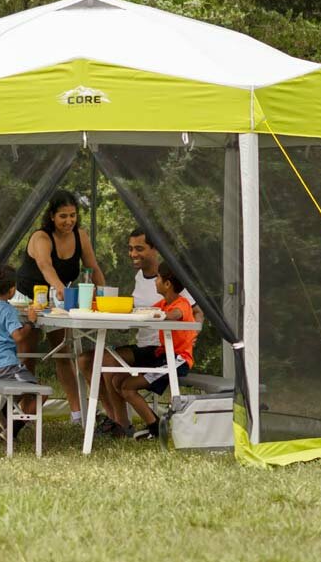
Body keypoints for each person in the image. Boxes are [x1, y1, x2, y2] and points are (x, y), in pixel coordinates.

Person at [84, 228, 199, 436]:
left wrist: (191, 337)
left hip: (167, 350)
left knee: (109, 365)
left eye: (139, 248)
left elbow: (194, 312)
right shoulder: (141, 278)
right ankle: (121, 423)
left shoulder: (171, 277)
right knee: (99, 360)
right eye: (130, 249)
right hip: (147, 347)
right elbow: (148, 309)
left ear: (155, 249)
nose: (133, 254)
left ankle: (128, 424)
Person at [14, 189, 106, 426]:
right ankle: (25, 412)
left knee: (64, 352)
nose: (69, 221)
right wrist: (59, 288)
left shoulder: (81, 236)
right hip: (29, 298)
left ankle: (77, 413)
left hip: (57, 302)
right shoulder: (41, 238)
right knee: (28, 354)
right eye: (63, 216)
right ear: (52, 216)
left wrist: (104, 295)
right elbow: (46, 266)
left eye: (73, 215)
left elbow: (93, 267)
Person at [116, 261, 198, 442]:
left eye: (158, 278)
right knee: (121, 383)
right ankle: (155, 425)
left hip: (178, 360)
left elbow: (175, 315)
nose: (155, 281)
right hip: (163, 356)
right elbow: (148, 310)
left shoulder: (181, 304)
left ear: (167, 284)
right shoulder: (163, 302)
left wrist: (160, 315)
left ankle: (156, 427)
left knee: (128, 387)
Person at [0, 266, 41, 443]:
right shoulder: (8, 311)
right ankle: (11, 428)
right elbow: (19, 337)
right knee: (40, 390)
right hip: (6, 365)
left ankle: (3, 417)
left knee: (25, 386)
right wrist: (31, 322)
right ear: (12, 290)